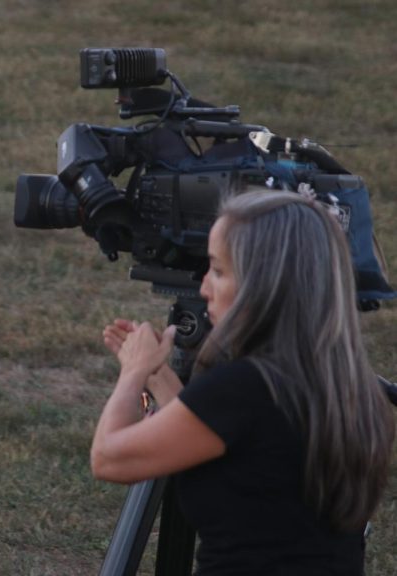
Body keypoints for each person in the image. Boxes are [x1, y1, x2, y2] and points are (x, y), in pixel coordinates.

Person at [90, 190, 394, 575]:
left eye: (217, 270)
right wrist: (160, 375)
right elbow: (237, 446)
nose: (203, 288)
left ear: (263, 283)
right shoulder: (348, 385)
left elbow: (109, 458)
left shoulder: (244, 387)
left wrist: (134, 372)